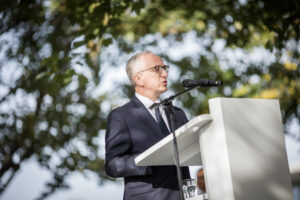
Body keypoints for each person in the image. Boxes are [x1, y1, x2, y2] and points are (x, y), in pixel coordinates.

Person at [105, 51, 190, 200]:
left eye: (165, 69)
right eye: (158, 69)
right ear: (139, 78)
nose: (165, 74)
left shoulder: (178, 114)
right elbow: (112, 165)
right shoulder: (121, 115)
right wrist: (147, 161)